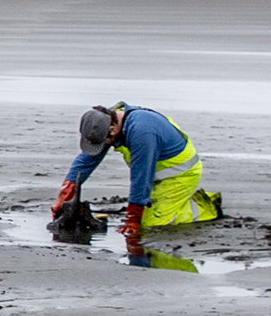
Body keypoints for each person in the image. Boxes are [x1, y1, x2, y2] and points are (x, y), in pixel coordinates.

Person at [50, 103, 221, 257]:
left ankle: (205, 206)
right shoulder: (107, 120)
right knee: (146, 208)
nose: (103, 146)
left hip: (179, 175)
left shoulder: (141, 133)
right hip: (155, 172)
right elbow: (87, 159)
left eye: (105, 142)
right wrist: (65, 194)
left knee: (150, 225)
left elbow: (141, 177)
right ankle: (167, 202)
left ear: (112, 129)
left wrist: (133, 218)